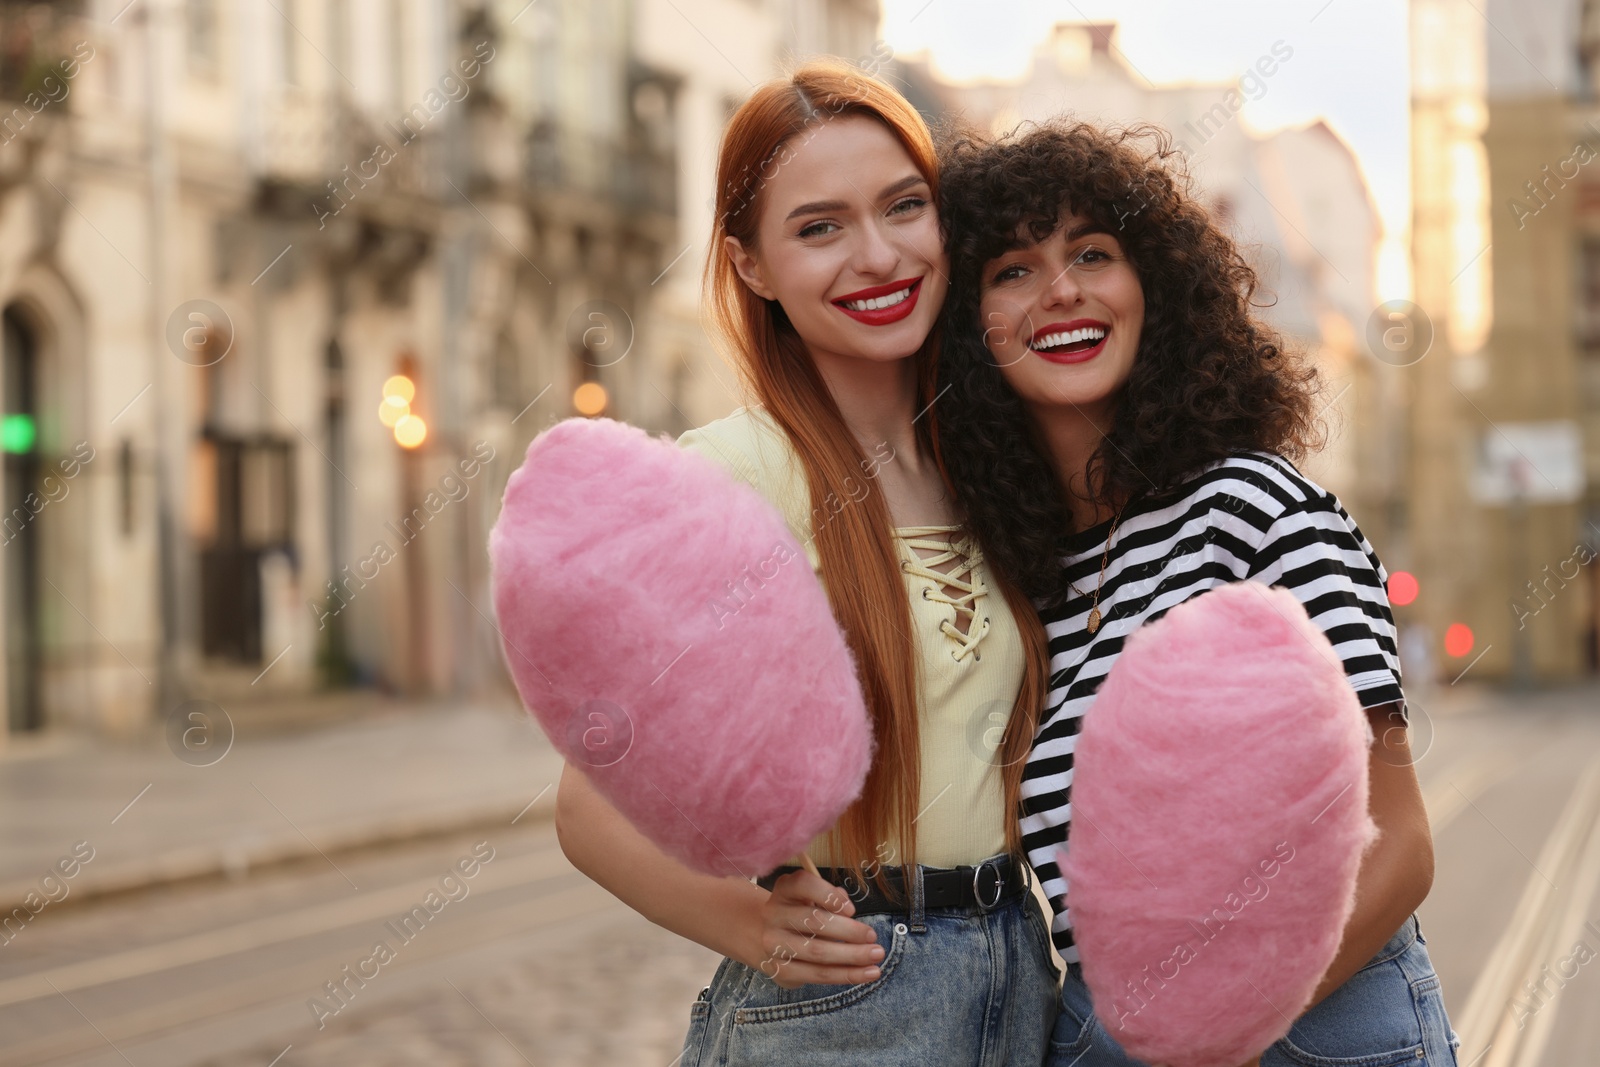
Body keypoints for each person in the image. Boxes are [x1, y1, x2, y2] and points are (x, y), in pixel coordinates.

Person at [553, 61, 1060, 1066]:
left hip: (1018, 977)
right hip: (849, 1008)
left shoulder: (993, 465)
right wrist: (745, 926)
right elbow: (586, 803)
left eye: (903, 207)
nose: (877, 256)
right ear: (750, 266)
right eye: (819, 228)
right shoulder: (734, 476)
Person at [934, 120, 1460, 1066]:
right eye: (1011, 269)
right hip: (1111, 1027)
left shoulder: (1254, 507)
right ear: (972, 330)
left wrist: (1208, 1031)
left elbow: (1402, 845)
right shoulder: (1021, 586)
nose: (1061, 289)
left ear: (1157, 291)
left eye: (1093, 253)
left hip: (1318, 1028)